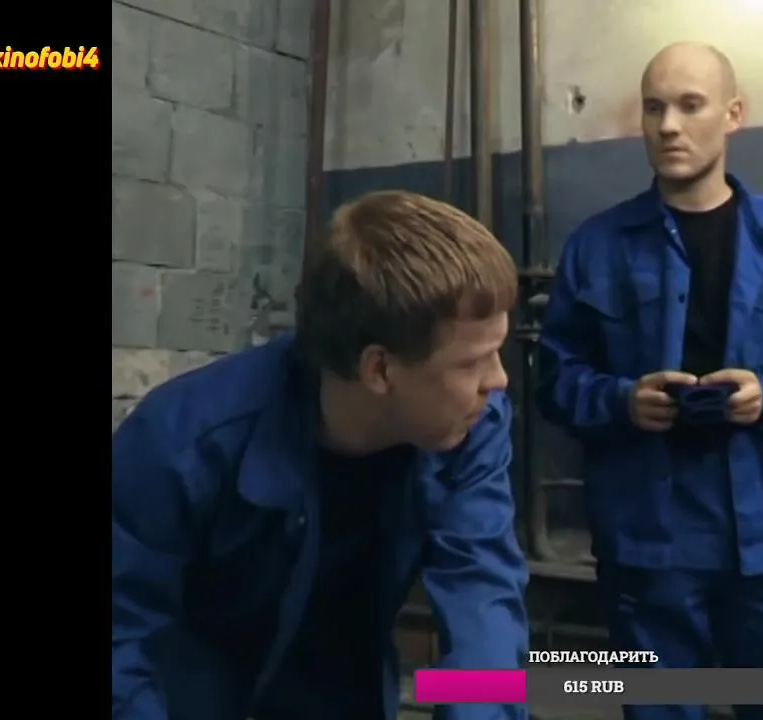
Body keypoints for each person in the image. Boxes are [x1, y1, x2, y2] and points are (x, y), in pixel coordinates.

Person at [535, 42, 763, 720]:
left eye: (690, 106)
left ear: (733, 114)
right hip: (649, 547)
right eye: (654, 108)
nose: (669, 127)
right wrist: (622, 400)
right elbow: (556, 379)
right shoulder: (597, 246)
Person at [112, 190, 530, 720]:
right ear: (380, 369)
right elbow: (121, 641)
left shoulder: (472, 425)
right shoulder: (180, 444)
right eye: (472, 362)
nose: (499, 380)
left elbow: (483, 598)